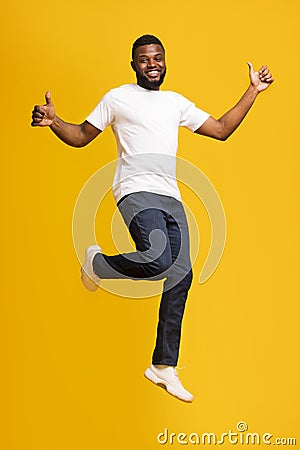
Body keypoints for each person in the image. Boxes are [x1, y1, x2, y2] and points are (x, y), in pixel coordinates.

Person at [31, 34, 274, 403]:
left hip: (172, 197)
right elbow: (81, 135)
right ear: (134, 65)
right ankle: (97, 263)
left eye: (157, 57)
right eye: (144, 59)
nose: (152, 64)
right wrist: (54, 122)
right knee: (160, 259)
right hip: (134, 189)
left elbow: (222, 130)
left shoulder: (175, 103)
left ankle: (163, 366)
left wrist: (253, 90)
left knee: (182, 272)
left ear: (165, 61)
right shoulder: (117, 98)